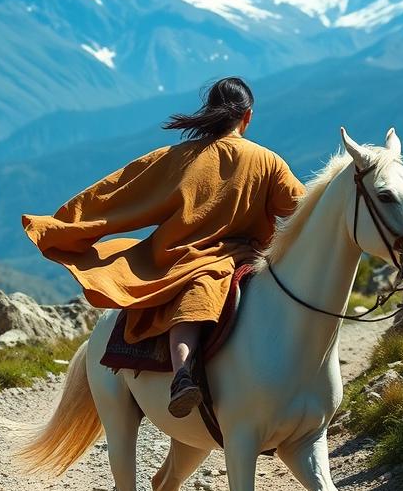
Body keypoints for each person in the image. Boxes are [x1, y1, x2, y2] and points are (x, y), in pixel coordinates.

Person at [22, 77, 304, 417]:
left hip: (177, 259)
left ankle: (183, 373)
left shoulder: (177, 158)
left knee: (195, 296)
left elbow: (118, 192)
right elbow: (304, 212)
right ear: (248, 117)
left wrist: (62, 227)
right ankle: (195, 376)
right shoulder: (269, 163)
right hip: (241, 258)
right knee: (223, 292)